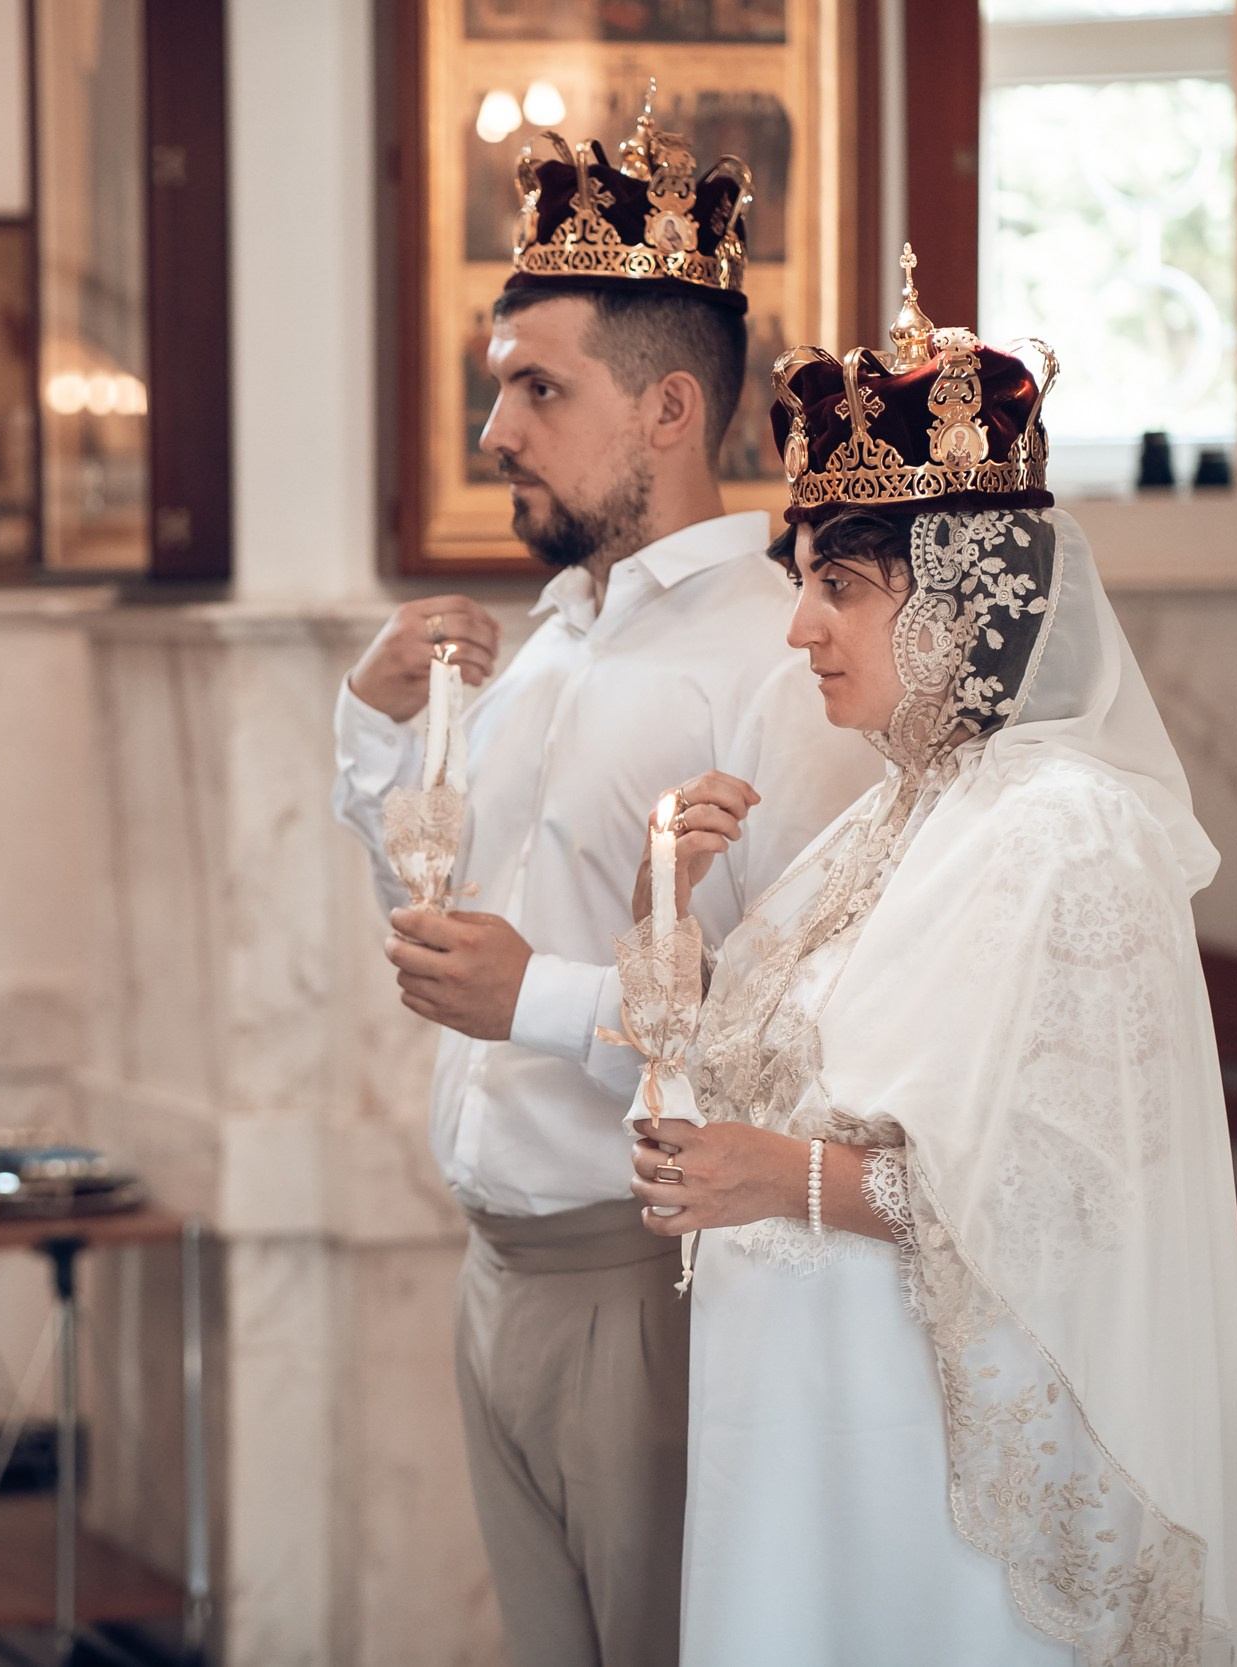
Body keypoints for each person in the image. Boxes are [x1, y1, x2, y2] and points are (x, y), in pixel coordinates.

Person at [620, 252, 1237, 1665]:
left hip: (930, 1463)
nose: (799, 627)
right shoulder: (880, 824)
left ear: (961, 600)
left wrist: (777, 1173)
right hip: (799, 1427)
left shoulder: (1077, 834)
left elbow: (1071, 1180)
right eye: (805, 583)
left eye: (838, 587)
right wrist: (663, 918)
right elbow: (734, 1079)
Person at [331, 102, 878, 1667]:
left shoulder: (779, 661)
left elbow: (807, 1036)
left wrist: (543, 1000)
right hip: (496, 1272)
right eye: (498, 386)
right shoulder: (555, 634)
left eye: (535, 388)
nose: (495, 430)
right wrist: (372, 730)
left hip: (657, 1285)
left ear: (668, 408)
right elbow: (449, 907)